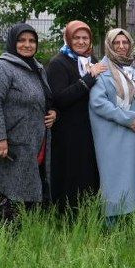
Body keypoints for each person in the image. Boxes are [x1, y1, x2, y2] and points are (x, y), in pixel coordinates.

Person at [0, 23, 57, 235]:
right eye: (22, 40)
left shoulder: (36, 68)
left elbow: (45, 98)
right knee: (0, 192)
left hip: (27, 145)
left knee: (19, 199)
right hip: (5, 147)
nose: (27, 45)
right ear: (12, 42)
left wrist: (52, 112)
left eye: (32, 41)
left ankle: (12, 244)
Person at [88, 28, 135, 223]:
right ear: (109, 45)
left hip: (134, 131)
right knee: (113, 178)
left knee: (131, 178)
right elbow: (98, 102)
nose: (122, 47)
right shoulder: (103, 69)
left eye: (125, 43)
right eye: (116, 43)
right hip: (112, 134)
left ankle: (129, 220)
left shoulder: (133, 68)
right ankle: (111, 223)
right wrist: (128, 119)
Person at [45, 20, 104, 214]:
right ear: (68, 39)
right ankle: (67, 215)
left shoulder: (93, 60)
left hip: (91, 127)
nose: (80, 41)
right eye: (76, 38)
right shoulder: (58, 63)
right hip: (68, 130)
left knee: (88, 171)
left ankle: (88, 212)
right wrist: (88, 79)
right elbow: (60, 98)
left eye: (85, 38)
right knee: (70, 173)